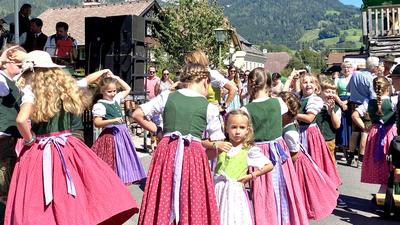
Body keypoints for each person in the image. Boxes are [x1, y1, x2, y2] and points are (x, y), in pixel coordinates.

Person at [5, 50, 138, 224]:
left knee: (38, 193)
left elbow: (21, 120)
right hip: (68, 144)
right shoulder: (66, 87)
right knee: (71, 188)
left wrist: (30, 140)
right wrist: (104, 71)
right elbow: (88, 80)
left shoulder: (31, 92)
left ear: (33, 72)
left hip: (42, 147)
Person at [133, 63, 227, 225]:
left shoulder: (167, 96)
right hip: (193, 156)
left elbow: (137, 114)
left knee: (163, 195)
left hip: (167, 151)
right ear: (205, 81)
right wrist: (202, 157)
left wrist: (160, 132)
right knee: (192, 199)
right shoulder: (209, 107)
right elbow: (218, 144)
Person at [242, 67, 308, 225]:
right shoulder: (278, 103)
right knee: (283, 188)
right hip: (277, 150)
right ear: (269, 84)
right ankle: (283, 219)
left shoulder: (245, 109)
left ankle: (266, 219)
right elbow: (285, 110)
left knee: (262, 191)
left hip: (257, 152)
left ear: (251, 85)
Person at [280, 91, 338, 220]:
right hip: (296, 161)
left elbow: (293, 154)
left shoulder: (290, 133)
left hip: (297, 165)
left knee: (300, 192)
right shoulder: (287, 126)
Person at [214, 109, 273, 225]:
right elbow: (204, 155)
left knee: (234, 218)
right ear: (226, 128)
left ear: (247, 130)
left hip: (235, 191)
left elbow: (269, 165)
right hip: (218, 189)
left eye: (241, 128)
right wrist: (215, 145)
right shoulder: (222, 146)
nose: (237, 131)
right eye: (233, 127)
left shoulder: (248, 150)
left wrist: (251, 175)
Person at [91, 75, 146, 184]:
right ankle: (116, 180)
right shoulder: (100, 105)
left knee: (125, 155)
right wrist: (112, 120)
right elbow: (97, 123)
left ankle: (127, 176)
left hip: (122, 133)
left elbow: (127, 89)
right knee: (115, 158)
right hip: (112, 135)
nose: (113, 93)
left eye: (114, 91)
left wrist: (116, 77)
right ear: (102, 91)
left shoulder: (115, 99)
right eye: (109, 91)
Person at [296, 75, 341, 187]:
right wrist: (293, 78)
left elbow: (336, 125)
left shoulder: (315, 101)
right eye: (305, 82)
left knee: (324, 165)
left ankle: (330, 189)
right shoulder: (302, 99)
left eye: (311, 82)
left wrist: (331, 113)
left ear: (316, 86)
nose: (308, 84)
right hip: (306, 135)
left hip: (322, 138)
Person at [353, 76, 397, 186]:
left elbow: (354, 115)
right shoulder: (394, 101)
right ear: (388, 88)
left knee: (379, 161)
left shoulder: (369, 101)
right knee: (391, 159)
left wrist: (365, 127)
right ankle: (388, 186)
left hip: (375, 133)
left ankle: (382, 185)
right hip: (390, 133)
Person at [0, 45, 26, 223]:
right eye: (18, 64)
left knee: (7, 174)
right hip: (2, 135)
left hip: (9, 136)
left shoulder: (12, 81)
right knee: (3, 177)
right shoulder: (0, 80)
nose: (21, 68)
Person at [346, 57, 377, 167]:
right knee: (365, 131)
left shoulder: (355, 74)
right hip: (366, 105)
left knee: (355, 132)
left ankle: (350, 156)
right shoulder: (371, 78)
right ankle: (361, 159)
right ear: (373, 67)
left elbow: (348, 89)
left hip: (354, 104)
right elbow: (373, 95)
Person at [316, 79, 342, 163]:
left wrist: (331, 112)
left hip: (328, 140)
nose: (331, 94)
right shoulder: (315, 105)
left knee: (329, 163)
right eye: (328, 91)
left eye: (333, 92)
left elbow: (337, 125)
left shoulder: (337, 108)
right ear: (320, 92)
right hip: (315, 140)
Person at [335, 62, 353, 160]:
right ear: (341, 69)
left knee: (351, 126)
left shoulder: (354, 78)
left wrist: (348, 101)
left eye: (348, 67)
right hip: (341, 103)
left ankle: (352, 151)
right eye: (344, 67)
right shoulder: (338, 80)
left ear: (351, 68)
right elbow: (335, 93)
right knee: (343, 126)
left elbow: (355, 92)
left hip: (351, 102)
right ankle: (345, 151)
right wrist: (342, 103)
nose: (346, 69)